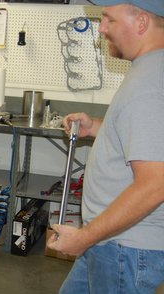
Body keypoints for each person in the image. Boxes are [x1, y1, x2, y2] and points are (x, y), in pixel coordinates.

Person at [47, 1, 164, 293]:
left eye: (108, 20)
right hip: (112, 243)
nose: (101, 29)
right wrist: (97, 127)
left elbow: (155, 184)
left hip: (124, 248)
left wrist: (85, 237)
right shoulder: (150, 68)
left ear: (141, 23)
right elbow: (145, 137)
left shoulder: (149, 85)